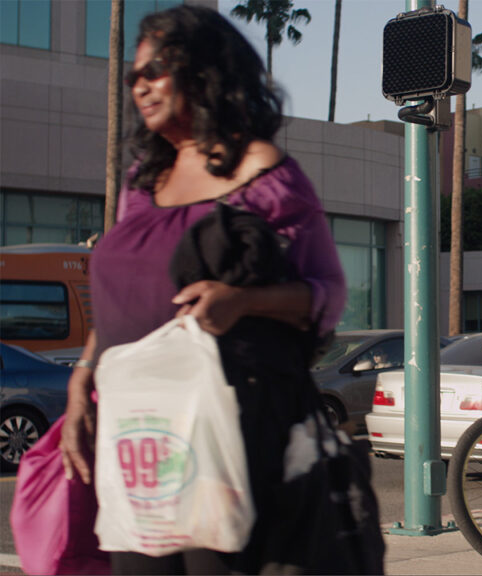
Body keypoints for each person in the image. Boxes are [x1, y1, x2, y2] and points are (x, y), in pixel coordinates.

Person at [59, 5, 347, 574]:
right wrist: (82, 380)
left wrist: (244, 301)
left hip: (230, 430)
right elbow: (120, 303)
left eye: (156, 69)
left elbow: (327, 293)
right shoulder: (144, 181)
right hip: (138, 431)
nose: (140, 85)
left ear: (205, 71)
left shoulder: (264, 171)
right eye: (133, 75)